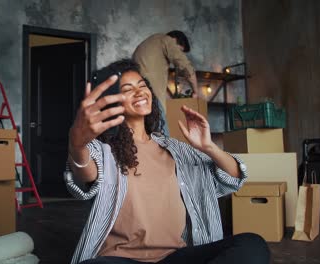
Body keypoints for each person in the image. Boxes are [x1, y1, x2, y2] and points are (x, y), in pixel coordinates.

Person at [65, 59, 270, 264]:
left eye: (142, 86)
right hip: (121, 258)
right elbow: (86, 174)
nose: (139, 92)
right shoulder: (102, 149)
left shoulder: (176, 149)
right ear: (111, 100)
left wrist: (209, 147)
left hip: (176, 257)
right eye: (127, 89)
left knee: (252, 245)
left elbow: (234, 178)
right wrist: (77, 144)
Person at [133, 30, 199, 136]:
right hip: (152, 98)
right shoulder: (167, 40)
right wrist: (196, 91)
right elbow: (187, 68)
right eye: (179, 50)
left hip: (137, 99)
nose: (178, 53)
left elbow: (153, 79)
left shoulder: (149, 44)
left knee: (147, 137)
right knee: (164, 139)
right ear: (175, 40)